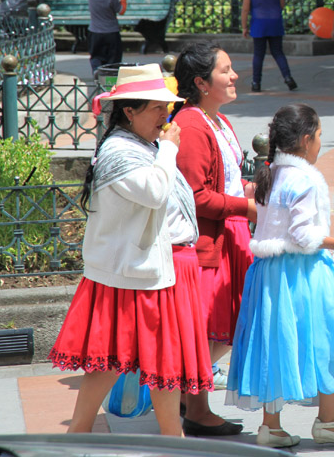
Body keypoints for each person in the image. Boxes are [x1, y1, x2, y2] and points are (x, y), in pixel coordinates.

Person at [47, 64, 209, 437]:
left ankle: (170, 438)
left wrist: (163, 148)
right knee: (112, 361)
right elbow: (155, 192)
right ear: (129, 111)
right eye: (156, 109)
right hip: (135, 272)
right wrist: (169, 149)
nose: (165, 117)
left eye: (166, 109)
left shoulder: (142, 145)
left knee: (160, 364)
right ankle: (81, 433)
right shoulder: (122, 150)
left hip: (151, 269)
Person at [225, 103, 334, 448]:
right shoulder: (305, 178)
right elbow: (304, 237)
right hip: (304, 272)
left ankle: (271, 426)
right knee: (333, 337)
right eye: (321, 135)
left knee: (274, 345)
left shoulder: (271, 173)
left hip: (269, 273)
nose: (322, 142)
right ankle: (328, 421)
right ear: (307, 139)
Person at [171, 41, 254, 437]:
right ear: (202, 82)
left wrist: (251, 193)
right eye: (226, 70)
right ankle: (197, 407)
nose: (234, 75)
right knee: (213, 327)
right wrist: (245, 206)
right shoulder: (190, 125)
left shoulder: (217, 121)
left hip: (231, 233)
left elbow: (226, 179)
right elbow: (195, 195)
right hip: (211, 241)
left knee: (231, 324)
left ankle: (191, 398)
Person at [241, 0, 297, 93]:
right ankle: (288, 77)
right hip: (275, 24)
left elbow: (245, 9)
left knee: (258, 54)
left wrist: (244, 27)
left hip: (258, 25)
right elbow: (281, 5)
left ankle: (256, 83)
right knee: (278, 52)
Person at [88, 0, 126, 73]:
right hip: (111, 33)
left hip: (94, 32)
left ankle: (96, 72)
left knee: (96, 56)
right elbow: (121, 10)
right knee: (113, 59)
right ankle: (110, 77)